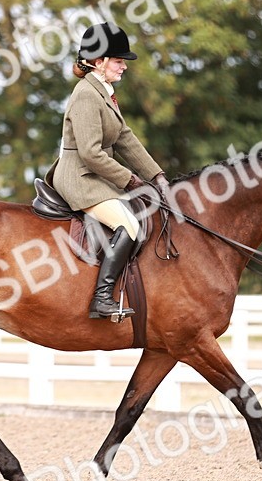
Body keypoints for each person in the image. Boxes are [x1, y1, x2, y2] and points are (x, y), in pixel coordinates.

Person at [46, 22, 170, 319]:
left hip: (96, 175)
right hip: (80, 178)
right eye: (118, 61)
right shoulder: (87, 94)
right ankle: (101, 299)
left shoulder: (104, 91)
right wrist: (130, 180)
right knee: (129, 225)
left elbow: (125, 138)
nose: (123, 67)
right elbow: (90, 153)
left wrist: (157, 176)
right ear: (98, 61)